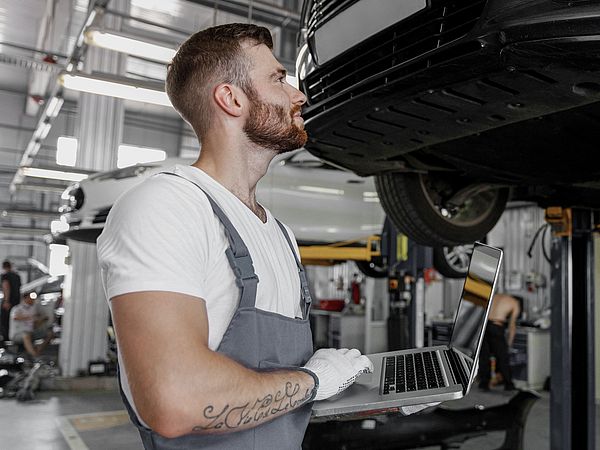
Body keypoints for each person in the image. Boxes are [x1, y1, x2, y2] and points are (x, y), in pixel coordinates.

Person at [97, 23, 373, 449]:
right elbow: (176, 402)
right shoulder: (167, 207)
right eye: (279, 79)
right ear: (231, 98)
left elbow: (275, 387)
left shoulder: (279, 234)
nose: (299, 95)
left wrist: (366, 394)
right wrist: (315, 380)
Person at [478, 293, 521, 391]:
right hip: (497, 327)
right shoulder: (515, 303)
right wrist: (509, 342)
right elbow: (512, 325)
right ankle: (509, 384)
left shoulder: (495, 296)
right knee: (503, 357)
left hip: (485, 326)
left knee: (484, 356)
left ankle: (484, 383)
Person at [9, 292, 54, 358]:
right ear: (25, 298)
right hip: (18, 333)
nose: (33, 300)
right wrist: (29, 317)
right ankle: (34, 355)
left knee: (50, 333)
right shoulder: (17, 308)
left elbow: (35, 324)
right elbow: (15, 317)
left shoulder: (34, 309)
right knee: (26, 335)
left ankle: (38, 349)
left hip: (31, 331)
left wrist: (42, 319)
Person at [1, 260, 21, 341]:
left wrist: (6, 301)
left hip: (9, 301)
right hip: (16, 301)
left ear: (3, 267)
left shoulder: (5, 276)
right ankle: (13, 337)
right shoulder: (17, 276)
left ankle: (6, 339)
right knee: (13, 321)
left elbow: (6, 288)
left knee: (5, 321)